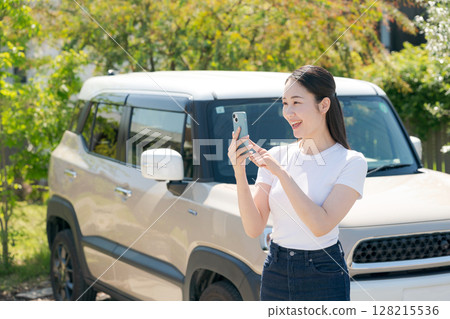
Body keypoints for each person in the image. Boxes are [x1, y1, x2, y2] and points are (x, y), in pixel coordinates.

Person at [227, 65, 368, 301]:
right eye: (284, 103)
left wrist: (282, 174)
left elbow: (320, 225)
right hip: (276, 269)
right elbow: (254, 228)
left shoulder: (351, 162)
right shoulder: (278, 156)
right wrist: (239, 171)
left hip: (323, 272)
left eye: (296, 102)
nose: (288, 112)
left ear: (323, 105)